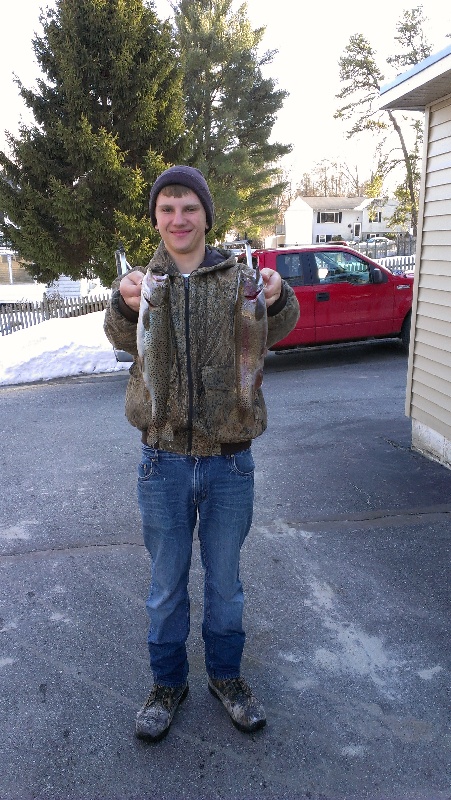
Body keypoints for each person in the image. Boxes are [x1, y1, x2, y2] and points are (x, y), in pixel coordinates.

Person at [104, 165, 299, 742]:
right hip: (161, 461)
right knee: (165, 586)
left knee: (225, 584)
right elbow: (120, 339)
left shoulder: (238, 277)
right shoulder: (147, 283)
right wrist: (121, 303)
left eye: (188, 206)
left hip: (229, 462)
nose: (178, 218)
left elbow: (279, 328)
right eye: (167, 208)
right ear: (157, 219)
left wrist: (278, 295)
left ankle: (226, 677)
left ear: (206, 215)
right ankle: (167, 683)